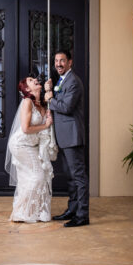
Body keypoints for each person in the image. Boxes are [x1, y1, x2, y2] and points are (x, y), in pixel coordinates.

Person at [44, 49, 89, 227]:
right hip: (64, 137)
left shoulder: (74, 82)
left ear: (70, 62)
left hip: (72, 137)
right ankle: (72, 209)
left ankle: (83, 215)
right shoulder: (62, 80)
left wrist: (50, 98)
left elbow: (67, 107)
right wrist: (50, 90)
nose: (58, 64)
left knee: (79, 177)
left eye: (62, 61)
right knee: (71, 177)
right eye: (56, 61)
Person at [5, 75, 57, 223]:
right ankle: (22, 212)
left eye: (34, 78)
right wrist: (45, 125)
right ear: (27, 89)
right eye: (30, 80)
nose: (35, 79)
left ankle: (35, 212)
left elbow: (43, 129)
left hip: (31, 145)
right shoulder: (27, 102)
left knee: (34, 177)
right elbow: (26, 128)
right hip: (20, 144)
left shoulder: (42, 105)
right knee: (38, 175)